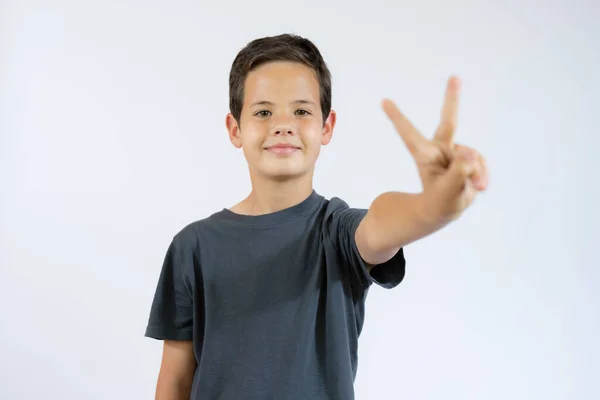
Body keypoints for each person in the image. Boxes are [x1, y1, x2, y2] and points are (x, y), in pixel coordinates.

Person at [144, 33, 489, 400]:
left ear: (327, 126)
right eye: (263, 111)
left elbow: (381, 226)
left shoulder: (338, 232)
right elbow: (175, 383)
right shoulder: (192, 246)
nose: (283, 124)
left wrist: (432, 206)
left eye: (302, 110)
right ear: (235, 129)